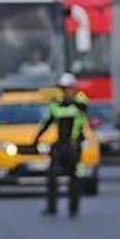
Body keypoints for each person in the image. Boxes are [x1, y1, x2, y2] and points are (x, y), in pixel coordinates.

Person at [32, 73, 89, 218]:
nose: (66, 92)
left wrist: (72, 100)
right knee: (52, 176)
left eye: (69, 89)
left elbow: (84, 107)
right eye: (64, 89)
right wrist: (36, 139)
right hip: (60, 145)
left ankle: (73, 208)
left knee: (74, 178)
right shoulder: (56, 106)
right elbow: (46, 123)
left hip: (74, 145)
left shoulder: (79, 104)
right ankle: (51, 207)